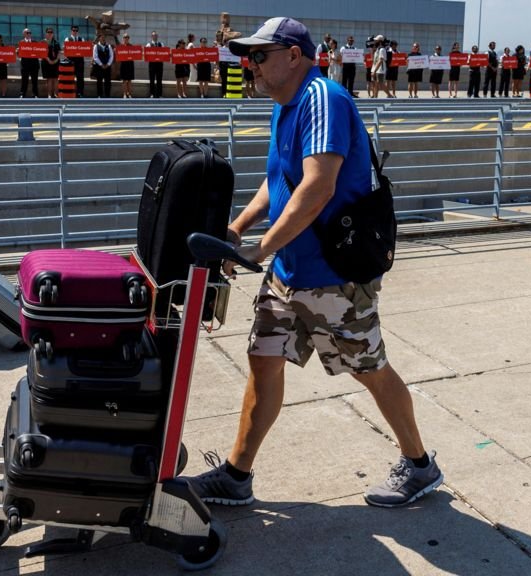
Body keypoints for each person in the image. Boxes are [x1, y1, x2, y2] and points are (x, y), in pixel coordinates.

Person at [182, 16, 443, 510]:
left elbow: (318, 186)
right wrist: (238, 228)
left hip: (332, 277)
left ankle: (420, 465)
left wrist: (262, 248)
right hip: (290, 273)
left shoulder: (322, 99)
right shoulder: (286, 106)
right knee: (263, 362)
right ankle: (237, 475)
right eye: (249, 57)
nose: (251, 65)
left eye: (260, 56)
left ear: (293, 56)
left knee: (370, 370)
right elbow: (280, 180)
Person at [65, 25, 85, 97]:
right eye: (74, 30)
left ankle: (80, 93)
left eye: (76, 30)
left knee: (80, 78)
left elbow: (84, 50)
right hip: (71, 62)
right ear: (71, 31)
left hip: (80, 62)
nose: (75, 32)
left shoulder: (82, 39)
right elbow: (66, 51)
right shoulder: (67, 39)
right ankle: (70, 92)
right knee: (70, 78)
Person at [19, 28, 39, 97]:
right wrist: (17, 51)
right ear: (24, 34)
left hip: (34, 64)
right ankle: (22, 94)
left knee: (34, 80)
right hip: (25, 65)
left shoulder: (35, 42)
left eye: (30, 33)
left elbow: (39, 52)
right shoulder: (21, 42)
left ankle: (35, 94)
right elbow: (19, 54)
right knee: (24, 80)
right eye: (27, 33)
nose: (29, 34)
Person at [41, 27, 60, 98]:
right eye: (48, 32)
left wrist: (56, 60)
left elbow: (59, 52)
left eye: (51, 32)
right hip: (47, 62)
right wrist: (49, 60)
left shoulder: (56, 42)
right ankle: (49, 94)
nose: (50, 33)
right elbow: (42, 52)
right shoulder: (43, 42)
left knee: (55, 79)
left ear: (53, 34)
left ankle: (56, 94)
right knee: (49, 79)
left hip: (55, 62)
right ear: (46, 33)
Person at [146, 30, 164, 97]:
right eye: (153, 35)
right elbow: (146, 54)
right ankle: (152, 93)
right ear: (152, 36)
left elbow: (164, 53)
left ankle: (159, 94)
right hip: (152, 65)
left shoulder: (161, 44)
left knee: (159, 80)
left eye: (156, 35)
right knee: (152, 80)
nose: (155, 36)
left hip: (159, 65)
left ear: (157, 36)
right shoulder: (148, 45)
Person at [119, 33, 135, 98]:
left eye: (127, 37)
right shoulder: (120, 46)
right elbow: (118, 56)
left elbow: (135, 55)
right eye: (125, 37)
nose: (126, 38)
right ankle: (125, 93)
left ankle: (129, 93)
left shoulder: (131, 46)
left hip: (130, 64)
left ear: (129, 39)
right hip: (123, 65)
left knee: (129, 80)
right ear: (123, 38)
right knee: (124, 80)